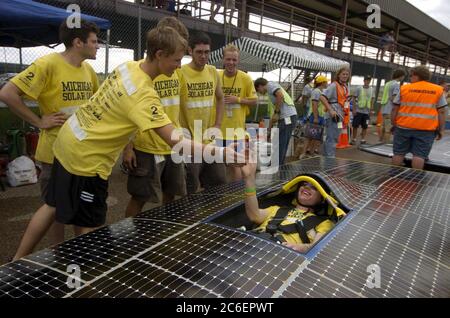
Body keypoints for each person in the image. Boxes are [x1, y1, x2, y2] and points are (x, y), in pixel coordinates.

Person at [10, 26, 244, 260]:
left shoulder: (128, 67)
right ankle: (87, 279)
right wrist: (220, 152)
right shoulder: (143, 95)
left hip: (66, 141)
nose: (178, 65)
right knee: (88, 225)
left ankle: (16, 261)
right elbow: (177, 142)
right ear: (160, 54)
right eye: (175, 59)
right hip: (86, 160)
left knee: (52, 204)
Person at [0, 20, 100, 246]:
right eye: (94, 41)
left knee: (80, 205)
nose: (98, 46)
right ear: (77, 42)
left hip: (82, 153)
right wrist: (38, 121)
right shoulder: (47, 64)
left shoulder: (89, 70)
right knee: (56, 208)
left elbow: (97, 105)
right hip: (55, 153)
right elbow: (7, 94)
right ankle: (59, 252)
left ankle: (77, 250)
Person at [123, 17, 189, 218]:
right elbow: (127, 114)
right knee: (140, 196)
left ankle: (164, 230)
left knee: (171, 192)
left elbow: (180, 108)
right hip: (146, 146)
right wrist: (128, 147)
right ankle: (129, 237)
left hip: (172, 144)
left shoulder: (176, 71)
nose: (178, 63)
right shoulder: (140, 72)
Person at [236, 156, 345, 253]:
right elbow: (253, 215)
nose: (306, 187)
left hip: (282, 256)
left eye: (314, 187)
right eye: (304, 184)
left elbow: (317, 248)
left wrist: (303, 248)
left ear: (322, 198)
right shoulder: (277, 209)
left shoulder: (324, 223)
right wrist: (249, 179)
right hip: (253, 245)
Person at [179, 32, 226, 194]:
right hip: (189, 142)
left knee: (219, 181)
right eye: (199, 52)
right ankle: (189, 217)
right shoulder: (180, 72)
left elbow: (221, 98)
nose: (203, 56)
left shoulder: (213, 72)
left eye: (207, 52)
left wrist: (218, 124)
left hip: (209, 140)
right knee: (191, 187)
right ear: (190, 51)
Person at [391, 65, 448, 170]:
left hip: (403, 127)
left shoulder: (404, 88)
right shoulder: (438, 90)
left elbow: (395, 108)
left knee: (398, 153)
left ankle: (393, 178)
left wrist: (394, 124)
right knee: (419, 156)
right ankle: (415, 180)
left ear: (417, 76)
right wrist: (441, 129)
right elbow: (442, 111)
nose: (410, 78)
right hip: (426, 130)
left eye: (411, 76)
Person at [218, 45, 257, 181]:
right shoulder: (216, 75)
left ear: (238, 61)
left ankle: (236, 195)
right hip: (218, 129)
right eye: (228, 59)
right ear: (223, 59)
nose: (231, 63)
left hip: (236, 130)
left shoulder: (245, 78)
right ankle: (224, 195)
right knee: (218, 165)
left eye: (234, 60)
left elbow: (254, 101)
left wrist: (238, 99)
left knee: (236, 165)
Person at [254, 78, 298, 165]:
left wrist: (277, 112)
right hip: (288, 117)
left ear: (259, 86)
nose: (259, 92)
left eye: (258, 90)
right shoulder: (271, 94)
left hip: (287, 117)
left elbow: (280, 96)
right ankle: (279, 164)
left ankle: (276, 165)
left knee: (280, 142)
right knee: (282, 142)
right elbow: (273, 117)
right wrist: (269, 129)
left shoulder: (270, 85)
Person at [320, 66, 351, 157]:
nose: (345, 76)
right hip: (334, 116)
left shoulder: (345, 86)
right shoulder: (334, 85)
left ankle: (327, 158)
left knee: (334, 137)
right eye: (343, 74)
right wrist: (331, 110)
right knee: (332, 138)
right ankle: (330, 158)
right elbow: (322, 97)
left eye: (347, 74)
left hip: (340, 116)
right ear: (339, 75)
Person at [301, 75, 328, 158]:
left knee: (316, 136)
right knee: (310, 135)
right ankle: (304, 153)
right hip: (316, 116)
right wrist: (316, 117)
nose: (327, 83)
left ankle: (311, 152)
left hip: (321, 116)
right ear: (322, 83)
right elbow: (314, 104)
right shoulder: (316, 91)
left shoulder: (321, 91)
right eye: (326, 82)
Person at [379, 69, 406, 143]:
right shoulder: (396, 84)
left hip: (384, 108)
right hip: (390, 109)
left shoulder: (388, 83)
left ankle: (380, 141)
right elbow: (394, 98)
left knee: (383, 126)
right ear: (400, 76)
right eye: (403, 76)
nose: (403, 78)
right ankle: (385, 144)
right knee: (388, 128)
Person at [351, 75, 374, 145]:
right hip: (358, 110)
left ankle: (362, 139)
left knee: (365, 126)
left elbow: (372, 100)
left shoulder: (372, 89)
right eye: (366, 80)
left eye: (369, 80)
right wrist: (354, 109)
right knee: (355, 125)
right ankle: (354, 139)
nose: (367, 81)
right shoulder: (359, 88)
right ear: (364, 81)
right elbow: (354, 98)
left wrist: (371, 110)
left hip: (366, 112)